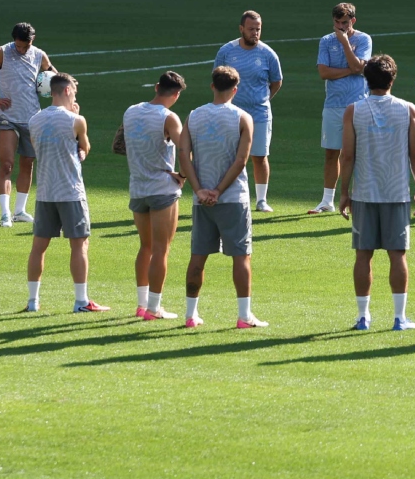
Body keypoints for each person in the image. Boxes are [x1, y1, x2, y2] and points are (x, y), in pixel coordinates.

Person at [337, 55, 415, 331]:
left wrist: (344, 192)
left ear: (367, 79)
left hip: (364, 193)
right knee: (397, 255)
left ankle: (363, 317)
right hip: (396, 192)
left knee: (363, 255)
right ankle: (399, 318)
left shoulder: (353, 110)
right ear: (392, 79)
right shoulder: (408, 109)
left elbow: (347, 156)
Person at [184, 67, 267, 329]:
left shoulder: (194, 116)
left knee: (198, 257)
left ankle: (190, 315)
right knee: (241, 257)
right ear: (235, 90)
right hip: (232, 199)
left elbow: (184, 156)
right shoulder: (243, 117)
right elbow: (241, 160)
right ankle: (244, 316)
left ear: (212, 86)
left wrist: (200, 190)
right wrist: (219, 190)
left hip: (201, 200)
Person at [25, 72, 108, 314]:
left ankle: (32, 302)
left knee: (38, 247)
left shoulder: (35, 120)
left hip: (45, 192)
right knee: (80, 246)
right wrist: (76, 115)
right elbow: (85, 147)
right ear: (68, 91)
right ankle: (81, 301)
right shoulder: (76, 120)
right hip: (71, 191)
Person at [0, 22, 54, 227]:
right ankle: (5, 213)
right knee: (7, 164)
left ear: (32, 41)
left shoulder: (39, 55)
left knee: (28, 164)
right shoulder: (1, 52)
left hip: (33, 117)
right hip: (7, 116)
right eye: (18, 46)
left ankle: (20, 211)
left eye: (24, 46)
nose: (21, 49)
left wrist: (66, 83)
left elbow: (53, 74)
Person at [124, 71, 190, 320]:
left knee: (145, 247)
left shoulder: (131, 111)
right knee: (162, 249)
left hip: (137, 187)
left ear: (156, 87)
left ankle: (142, 305)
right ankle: (154, 308)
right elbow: (184, 151)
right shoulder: (169, 117)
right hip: (162, 188)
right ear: (176, 94)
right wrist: (183, 176)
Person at [214, 11, 282, 213]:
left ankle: (261, 200)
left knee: (259, 156)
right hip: (231, 113)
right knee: (228, 155)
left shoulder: (268, 54)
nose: (255, 33)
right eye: (251, 29)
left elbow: (277, 82)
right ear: (241, 28)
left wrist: (263, 100)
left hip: (259, 114)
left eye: (258, 29)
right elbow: (217, 80)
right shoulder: (227, 51)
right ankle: (226, 194)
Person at [311, 3, 369, 214]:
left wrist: (345, 43)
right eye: (337, 22)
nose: (340, 26)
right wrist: (352, 69)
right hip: (333, 104)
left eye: (344, 22)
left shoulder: (363, 39)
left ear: (353, 21)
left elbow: (359, 67)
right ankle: (327, 201)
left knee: (357, 154)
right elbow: (324, 73)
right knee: (331, 153)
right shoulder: (326, 41)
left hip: (358, 104)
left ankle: (358, 198)